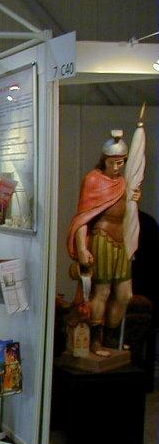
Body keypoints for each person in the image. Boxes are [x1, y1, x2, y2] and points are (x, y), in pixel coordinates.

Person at [66, 133, 141, 347]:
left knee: (125, 294)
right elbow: (83, 218)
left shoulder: (123, 182)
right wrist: (82, 248)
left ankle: (110, 337)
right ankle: (95, 341)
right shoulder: (93, 180)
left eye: (121, 162)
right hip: (102, 239)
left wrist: (134, 198)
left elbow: (127, 211)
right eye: (112, 162)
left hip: (120, 241)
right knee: (102, 292)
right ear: (104, 160)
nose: (117, 167)